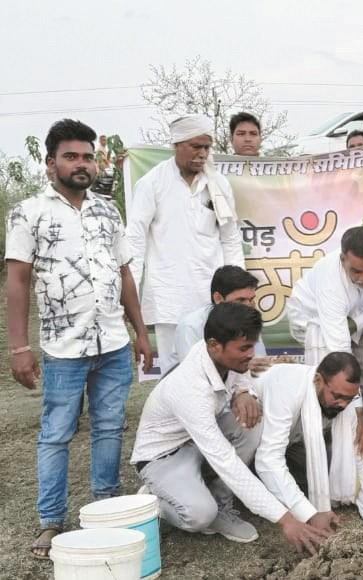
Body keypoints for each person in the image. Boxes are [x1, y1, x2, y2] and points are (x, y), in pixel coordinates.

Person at [5, 119, 153, 559]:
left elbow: (124, 271)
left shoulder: (108, 210)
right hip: (62, 347)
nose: (81, 164)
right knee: (55, 433)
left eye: (88, 156)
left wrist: (140, 332)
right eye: (71, 156)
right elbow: (17, 281)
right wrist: (19, 348)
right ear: (50, 164)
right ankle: (51, 520)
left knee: (109, 427)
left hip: (112, 342)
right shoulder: (28, 213)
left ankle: (104, 510)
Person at [132, 303, 328, 551]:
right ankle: (153, 500)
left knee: (251, 421)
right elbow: (227, 464)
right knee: (198, 515)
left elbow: (241, 375)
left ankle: (221, 506)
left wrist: (244, 392)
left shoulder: (221, 358)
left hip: (197, 442)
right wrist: (287, 519)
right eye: (244, 348)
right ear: (214, 345)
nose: (251, 354)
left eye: (253, 345)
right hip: (162, 457)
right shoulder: (190, 390)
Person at [127, 114, 245, 376]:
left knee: (219, 368)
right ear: (176, 144)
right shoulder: (151, 183)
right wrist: (130, 293)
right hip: (170, 297)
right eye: (196, 146)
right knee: (175, 371)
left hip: (211, 297)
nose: (203, 154)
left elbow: (230, 238)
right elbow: (134, 239)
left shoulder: (218, 184)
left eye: (207, 147)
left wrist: (236, 291)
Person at [255, 353, 363, 547]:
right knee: (267, 467)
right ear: (318, 380)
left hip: (293, 443)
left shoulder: (345, 402)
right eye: (337, 397)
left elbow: (357, 463)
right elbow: (268, 459)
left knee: (333, 467)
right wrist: (310, 513)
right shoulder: (287, 387)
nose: (342, 404)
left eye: (349, 399)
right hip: (251, 434)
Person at [286, 226, 363, 455]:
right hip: (313, 321)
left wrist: (357, 323)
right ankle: (336, 453)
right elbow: (341, 356)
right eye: (356, 271)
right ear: (343, 259)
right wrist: (359, 414)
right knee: (332, 388)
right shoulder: (331, 284)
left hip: (359, 317)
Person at [171, 265, 267, 374]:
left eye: (251, 299)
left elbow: (260, 365)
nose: (248, 306)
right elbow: (193, 373)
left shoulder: (248, 320)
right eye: (240, 300)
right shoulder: (191, 325)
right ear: (218, 298)